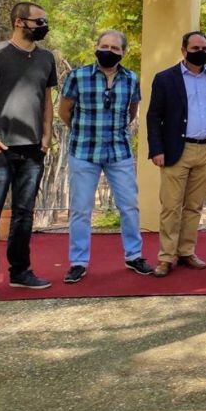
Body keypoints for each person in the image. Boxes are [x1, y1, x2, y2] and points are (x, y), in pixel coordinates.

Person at [0, 1, 57, 302]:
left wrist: (46, 134)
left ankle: (20, 271)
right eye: (38, 20)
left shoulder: (46, 58)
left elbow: (46, 99)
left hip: (33, 151)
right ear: (20, 22)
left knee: (24, 215)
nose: (43, 25)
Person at [59, 30, 152, 284]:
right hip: (84, 152)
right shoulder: (77, 76)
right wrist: (83, 130)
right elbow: (64, 111)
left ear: (123, 52)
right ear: (96, 47)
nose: (108, 51)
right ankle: (78, 262)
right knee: (80, 210)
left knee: (129, 207)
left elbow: (131, 112)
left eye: (114, 48)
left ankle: (134, 256)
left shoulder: (131, 79)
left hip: (118, 152)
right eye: (104, 46)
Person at [146, 31, 206, 277]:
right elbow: (153, 116)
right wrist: (156, 149)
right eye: (195, 47)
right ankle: (166, 257)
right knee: (171, 206)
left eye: (204, 47)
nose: (200, 51)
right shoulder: (165, 78)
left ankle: (186, 251)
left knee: (194, 207)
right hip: (175, 150)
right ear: (183, 50)